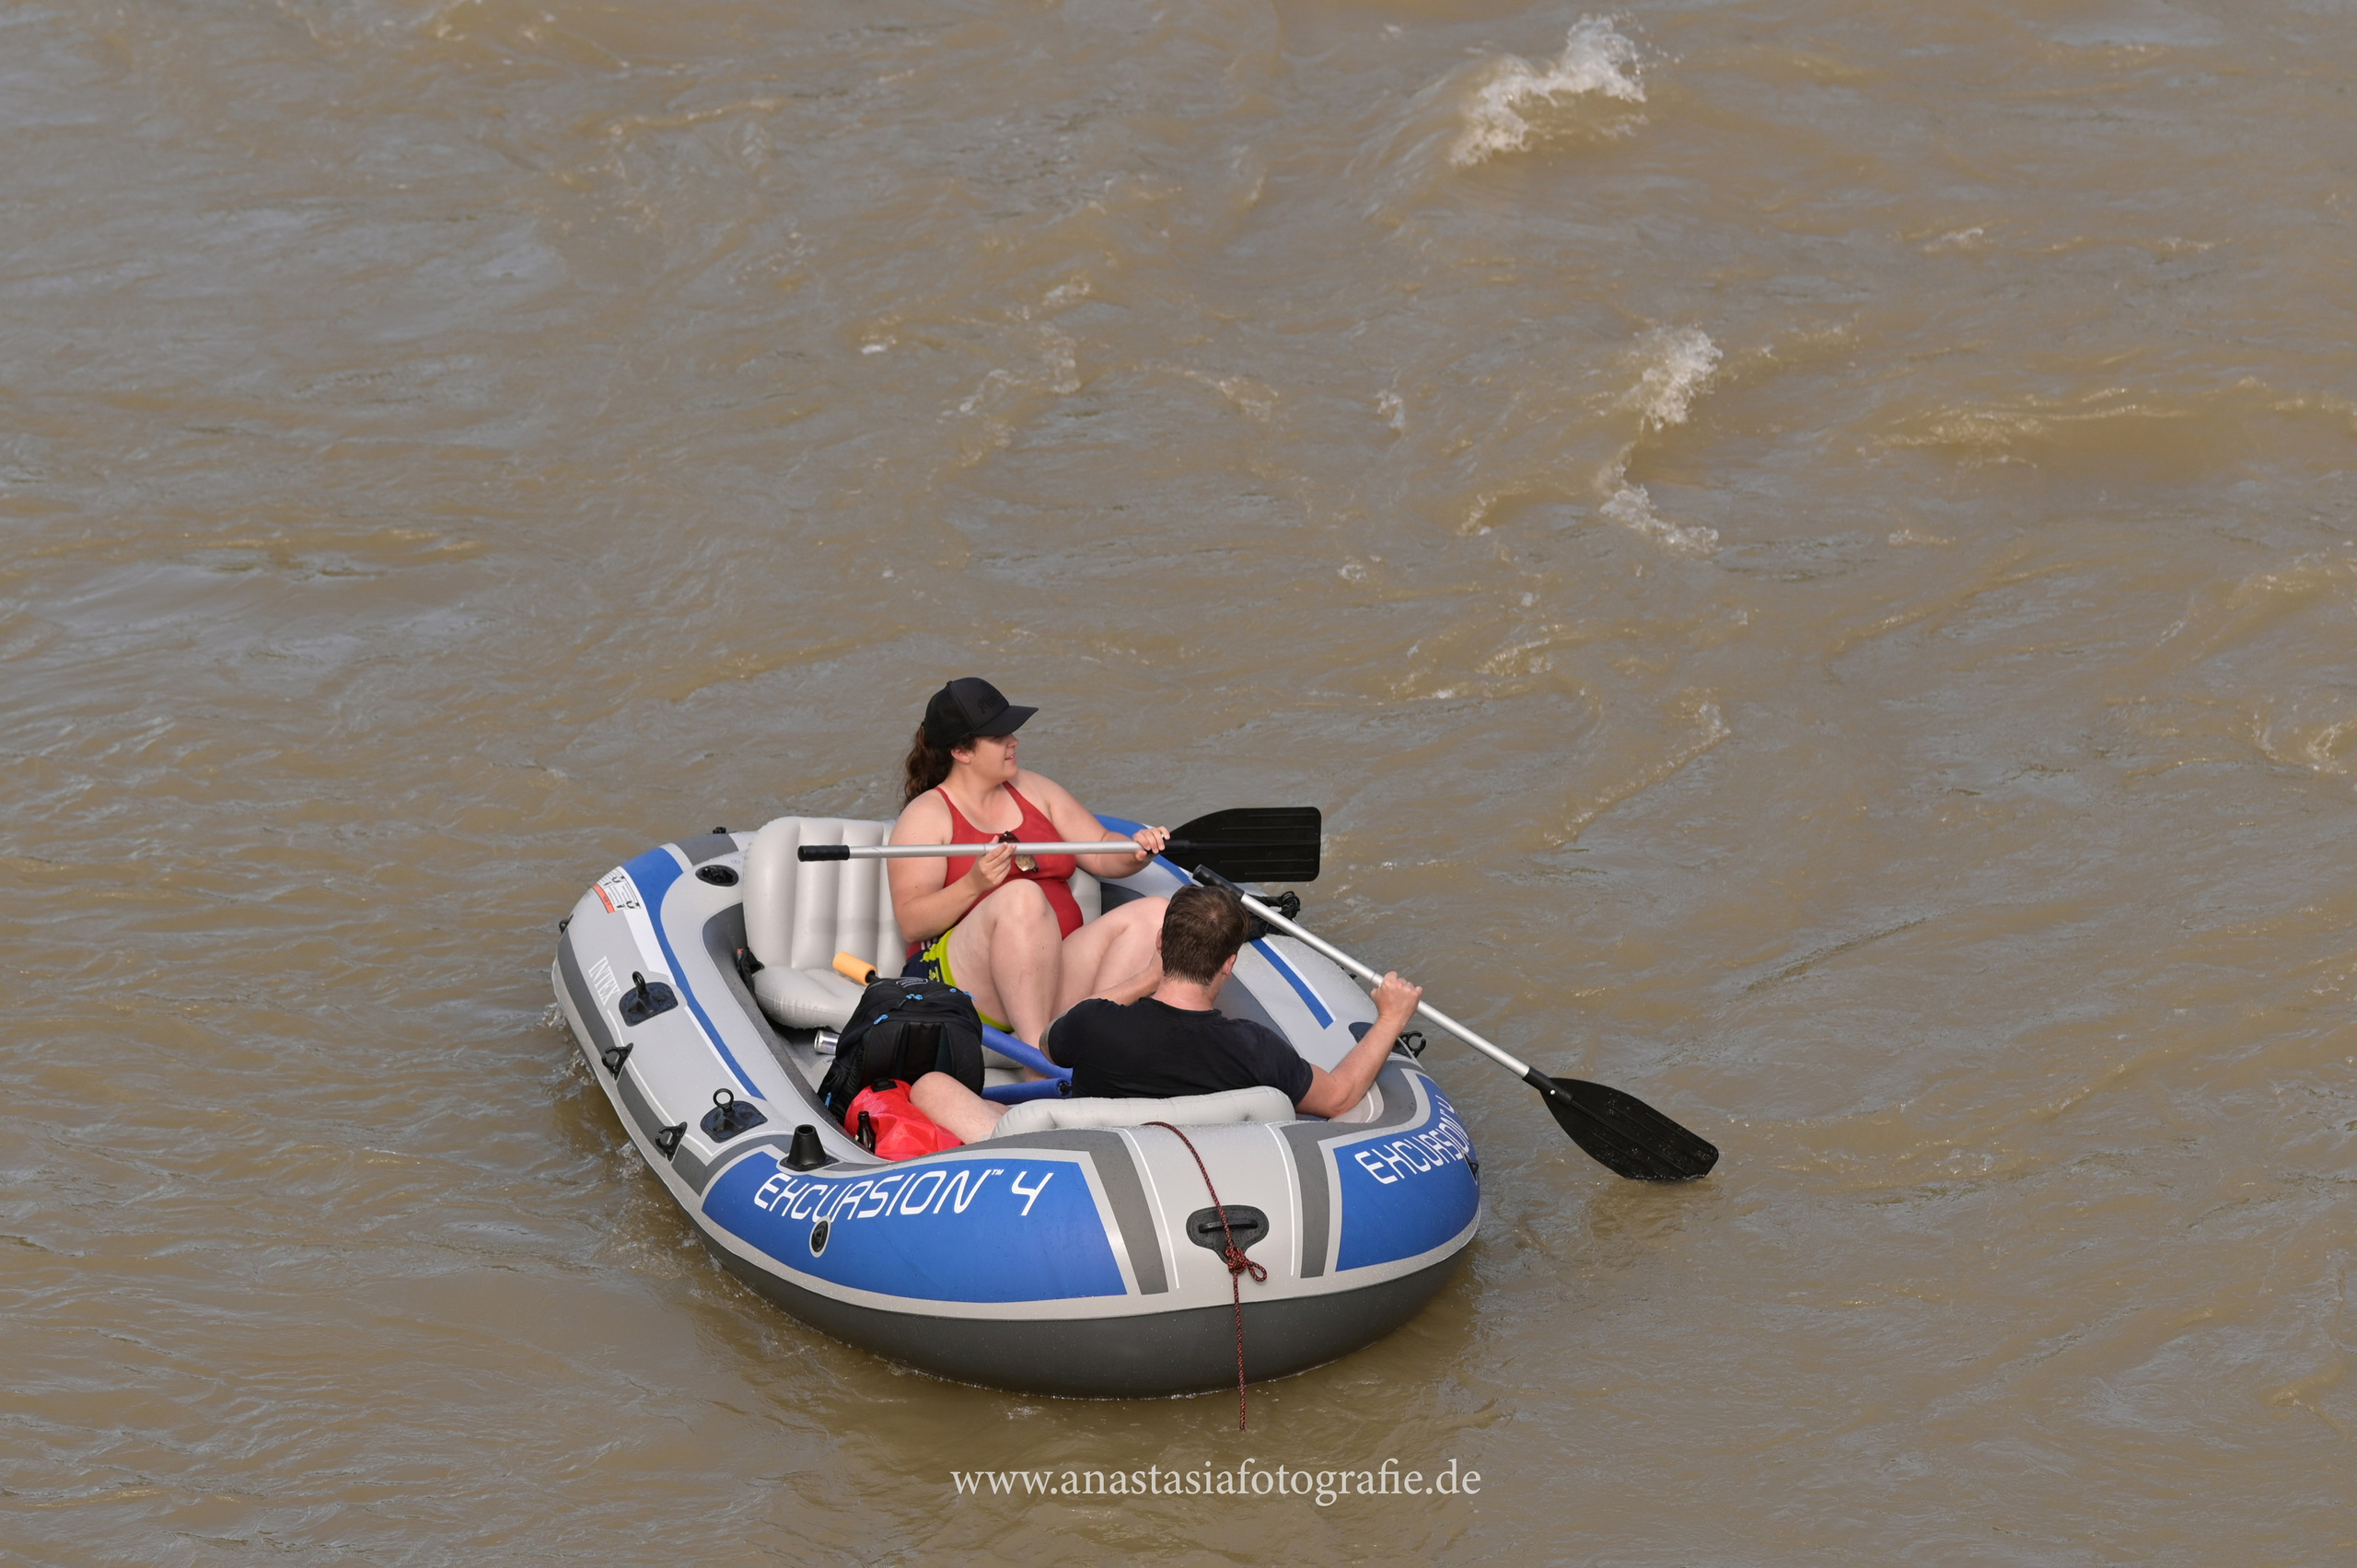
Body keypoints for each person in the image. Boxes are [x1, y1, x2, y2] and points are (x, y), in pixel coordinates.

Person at [910, 884, 1423, 1143]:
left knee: (929, 1085)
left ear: (1160, 943)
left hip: (1077, 1156)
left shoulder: (1095, 1024)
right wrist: (1390, 1019)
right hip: (1180, 1167)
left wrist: (1144, 978)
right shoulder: (1255, 1048)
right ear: (1230, 964)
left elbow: (1046, 1044)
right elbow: (1339, 1096)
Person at [888, 677, 1171, 1048]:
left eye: (1012, 731)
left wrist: (1134, 852)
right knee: (1022, 896)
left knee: (1158, 914)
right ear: (962, 751)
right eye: (999, 736)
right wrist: (974, 885)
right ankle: (1039, 1061)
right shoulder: (926, 816)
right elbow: (912, 923)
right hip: (962, 984)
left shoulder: (1034, 788)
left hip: (1052, 974)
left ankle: (1088, 1042)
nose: (1014, 742)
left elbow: (1102, 847)